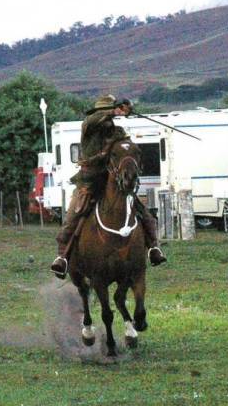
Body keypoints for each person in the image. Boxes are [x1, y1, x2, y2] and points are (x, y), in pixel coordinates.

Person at [51, 94, 166, 279]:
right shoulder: (89, 125)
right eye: (108, 111)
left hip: (112, 180)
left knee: (144, 213)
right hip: (89, 180)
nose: (111, 115)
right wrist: (114, 110)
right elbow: (97, 118)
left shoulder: (115, 130)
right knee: (73, 216)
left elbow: (125, 144)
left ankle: (154, 247)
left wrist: (127, 112)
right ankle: (62, 257)